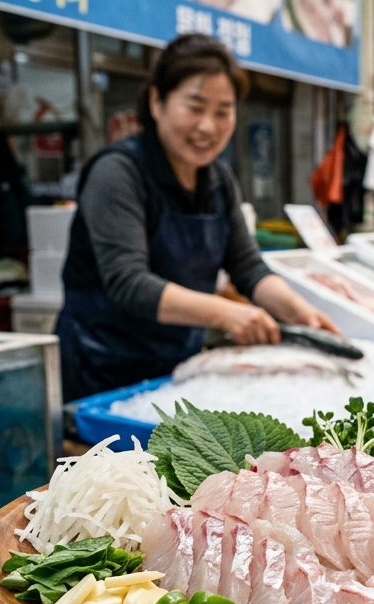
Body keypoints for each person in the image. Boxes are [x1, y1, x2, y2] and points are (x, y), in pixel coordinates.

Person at [55, 35, 337, 401]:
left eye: (223, 111)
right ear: (157, 102)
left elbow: (248, 268)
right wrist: (223, 314)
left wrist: (299, 311)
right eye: (195, 106)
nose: (208, 126)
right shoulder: (117, 173)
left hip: (175, 371)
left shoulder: (218, 180)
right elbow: (128, 282)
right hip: (101, 371)